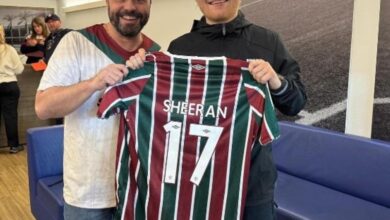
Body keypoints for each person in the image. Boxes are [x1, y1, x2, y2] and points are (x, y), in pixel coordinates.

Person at [128, 0, 307, 219]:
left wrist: (275, 80)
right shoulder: (180, 48)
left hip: (252, 185)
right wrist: (138, 69)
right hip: (196, 183)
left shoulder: (268, 42)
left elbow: (296, 102)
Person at [34, 0, 160, 219]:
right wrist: (93, 83)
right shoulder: (76, 42)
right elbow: (43, 107)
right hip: (88, 198)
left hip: (140, 193)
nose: (129, 7)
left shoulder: (157, 55)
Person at [0, 24, 25, 153]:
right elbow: (19, 69)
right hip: (9, 84)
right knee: (10, 116)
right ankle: (14, 146)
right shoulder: (9, 49)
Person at [44, 13, 72, 125]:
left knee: (67, 102)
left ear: (59, 22)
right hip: (53, 76)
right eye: (48, 22)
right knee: (56, 102)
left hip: (66, 75)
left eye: (53, 21)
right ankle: (59, 126)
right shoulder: (48, 39)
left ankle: (67, 126)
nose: (51, 24)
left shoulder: (67, 33)